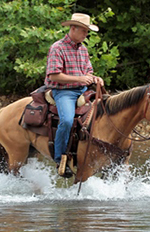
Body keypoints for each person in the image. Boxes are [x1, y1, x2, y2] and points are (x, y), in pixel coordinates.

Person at [45, 13, 104, 178]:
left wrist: (95, 79)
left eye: (87, 31)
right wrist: (80, 78)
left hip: (83, 91)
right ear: (73, 28)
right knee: (67, 120)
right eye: (84, 31)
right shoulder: (57, 48)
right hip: (63, 91)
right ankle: (60, 159)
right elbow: (53, 75)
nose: (86, 35)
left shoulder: (83, 49)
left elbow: (88, 72)